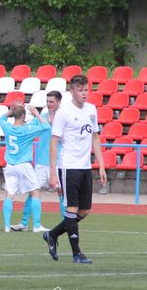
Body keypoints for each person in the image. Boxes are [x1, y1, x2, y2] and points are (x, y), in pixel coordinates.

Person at [44, 75, 107, 264]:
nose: (84, 93)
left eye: (86, 89)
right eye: (80, 90)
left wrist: (101, 165)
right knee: (71, 208)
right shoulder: (63, 112)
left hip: (85, 166)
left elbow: (95, 137)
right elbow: (54, 142)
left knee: (85, 210)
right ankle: (76, 253)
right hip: (68, 166)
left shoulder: (91, 109)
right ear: (72, 91)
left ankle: (52, 234)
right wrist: (53, 172)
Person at [12, 91, 61, 233]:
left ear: (58, 102)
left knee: (61, 192)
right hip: (41, 162)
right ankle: (24, 223)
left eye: (51, 102)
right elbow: (25, 127)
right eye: (47, 101)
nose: (48, 104)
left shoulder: (63, 117)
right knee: (33, 192)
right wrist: (18, 111)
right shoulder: (42, 117)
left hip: (58, 162)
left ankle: (68, 224)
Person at [0, 103, 50, 233]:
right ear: (23, 116)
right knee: (35, 192)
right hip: (24, 165)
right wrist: (36, 113)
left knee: (9, 194)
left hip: (10, 166)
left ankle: (6, 226)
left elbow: (1, 118)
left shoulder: (7, 127)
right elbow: (46, 126)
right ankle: (36, 225)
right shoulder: (27, 129)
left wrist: (11, 111)